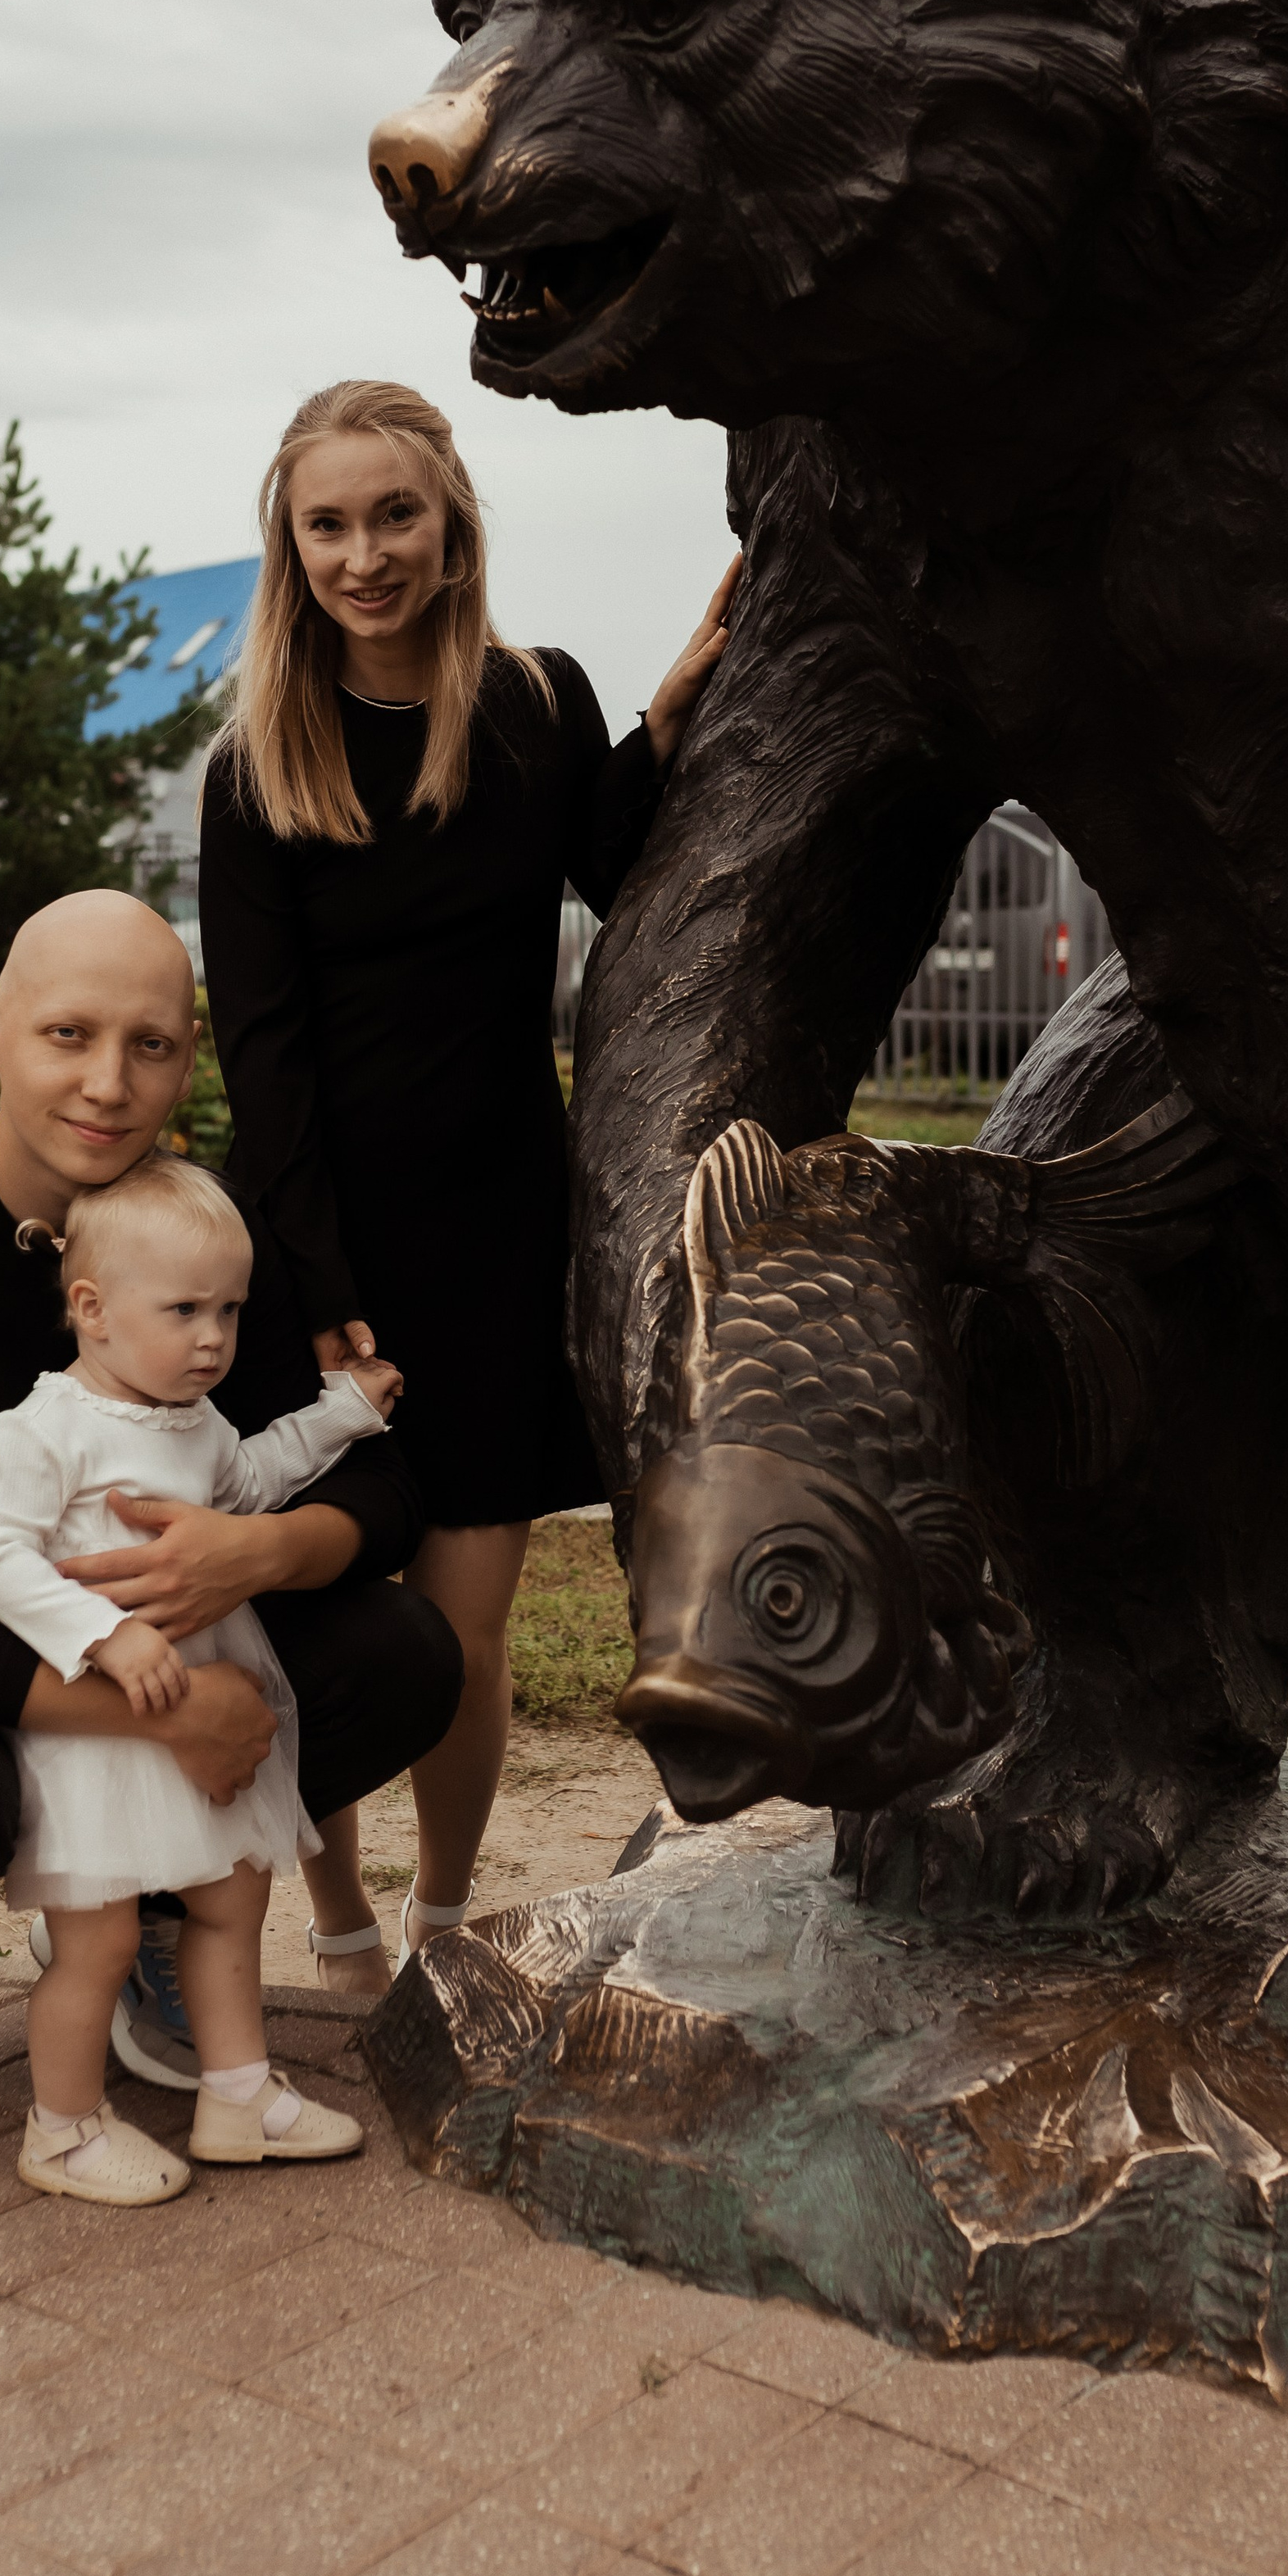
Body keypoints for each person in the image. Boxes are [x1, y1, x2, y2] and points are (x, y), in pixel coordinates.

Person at [0, 888, 461, 2144]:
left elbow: (382, 1490)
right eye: (69, 1035)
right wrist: (173, 1711)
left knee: (401, 1656)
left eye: (151, 1045)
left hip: (144, 1641)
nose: (109, 1084)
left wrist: (261, 1549)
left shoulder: (205, 1238)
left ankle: (163, 1918)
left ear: (187, 1057)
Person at [197, 378, 735, 1993]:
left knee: (460, 1630)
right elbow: (263, 1059)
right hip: (309, 1249)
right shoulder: (253, 768)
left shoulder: (529, 704)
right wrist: (318, 1287)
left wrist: (661, 719)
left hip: (499, 1235)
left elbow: (608, 871)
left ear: (450, 525)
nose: (363, 552)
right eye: (328, 524)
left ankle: (442, 1923)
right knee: (312, 1620)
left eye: (392, 515)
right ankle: (338, 1924)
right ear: (289, 549)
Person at [0, 1153, 397, 2202]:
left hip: (202, 1717)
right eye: (187, 1309)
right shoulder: (45, 1428)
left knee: (233, 1899)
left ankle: (236, 2093)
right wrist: (100, 1637)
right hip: (104, 1732)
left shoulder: (196, 1425)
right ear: (92, 1309)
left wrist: (345, 1412)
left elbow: (256, 1479)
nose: (214, 1339)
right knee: (100, 1940)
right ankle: (60, 2129)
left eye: (231, 1312)